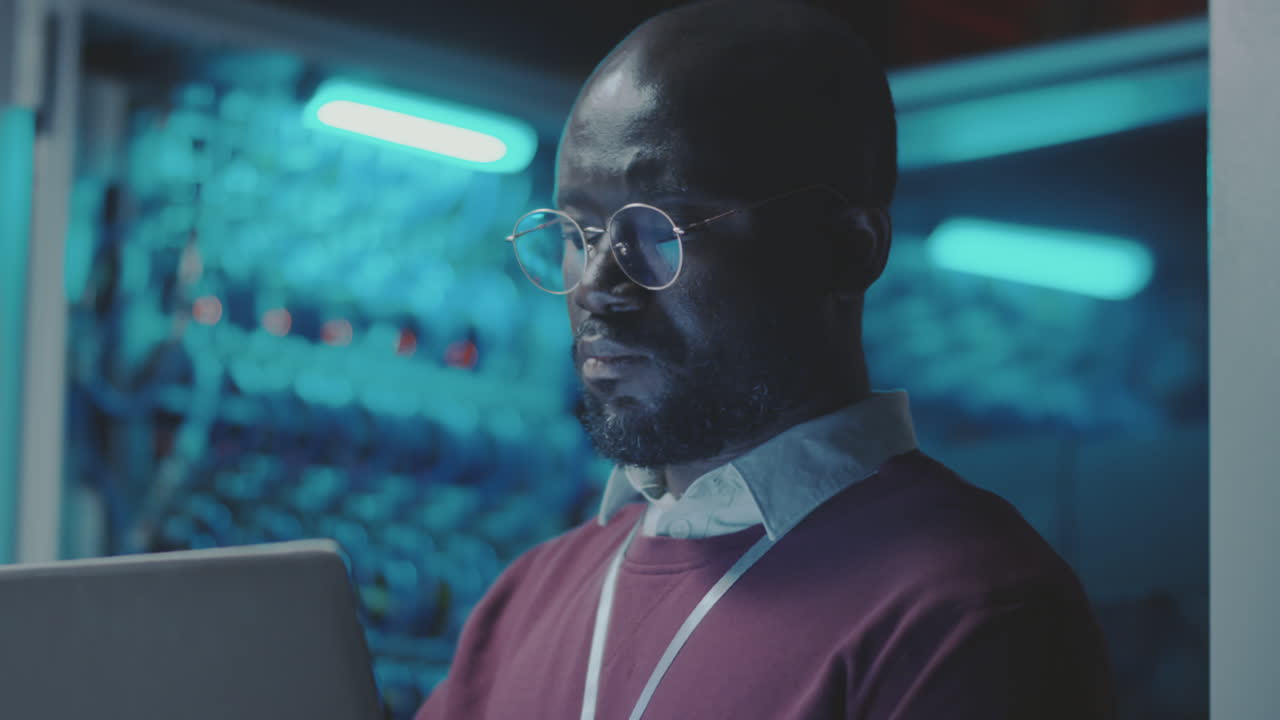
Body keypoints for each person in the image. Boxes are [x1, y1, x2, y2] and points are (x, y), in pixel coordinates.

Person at [417, 1, 1116, 718]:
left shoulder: (969, 613)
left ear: (846, 249)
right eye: (579, 234)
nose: (596, 287)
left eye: (660, 230)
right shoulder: (525, 603)